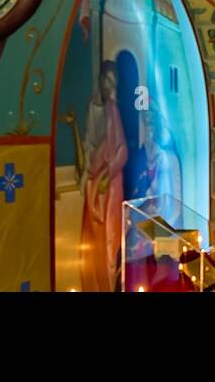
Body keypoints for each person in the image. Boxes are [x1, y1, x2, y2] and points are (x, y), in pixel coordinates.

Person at [80, 61, 128, 291]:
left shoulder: (113, 109)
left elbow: (122, 151)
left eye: (113, 81)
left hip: (110, 183)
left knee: (110, 242)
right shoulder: (94, 107)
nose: (110, 86)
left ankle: (109, 286)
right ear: (100, 80)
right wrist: (89, 174)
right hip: (95, 184)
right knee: (92, 244)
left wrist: (107, 175)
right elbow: (89, 141)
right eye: (107, 80)